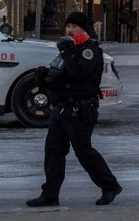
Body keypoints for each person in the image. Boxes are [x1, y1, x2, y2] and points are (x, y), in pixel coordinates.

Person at [26, 11, 122, 207]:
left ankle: (110, 185)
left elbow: (78, 73)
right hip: (61, 108)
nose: (69, 30)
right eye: (68, 26)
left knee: (83, 151)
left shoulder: (89, 51)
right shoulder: (68, 49)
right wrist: (45, 77)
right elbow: (60, 75)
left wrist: (67, 53)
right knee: (53, 151)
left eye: (74, 27)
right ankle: (50, 194)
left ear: (83, 29)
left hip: (80, 109)